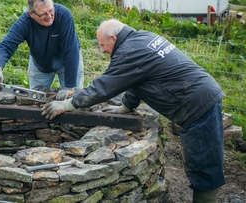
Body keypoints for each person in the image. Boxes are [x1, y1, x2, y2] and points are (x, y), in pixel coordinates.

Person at [41, 19, 225, 203]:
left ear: (113, 38)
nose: (102, 50)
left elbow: (104, 86)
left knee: (204, 164)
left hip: (198, 103)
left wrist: (67, 105)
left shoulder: (130, 51)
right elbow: (136, 80)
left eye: (102, 45)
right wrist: (126, 107)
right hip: (201, 95)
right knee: (203, 160)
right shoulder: (143, 38)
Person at [0, 0, 84, 99]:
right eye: (43, 14)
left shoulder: (64, 16)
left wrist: (70, 87)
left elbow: (70, 50)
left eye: (51, 10)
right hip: (40, 63)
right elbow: (6, 46)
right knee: (35, 99)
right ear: (31, 14)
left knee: (73, 98)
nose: (49, 16)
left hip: (68, 61)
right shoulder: (25, 23)